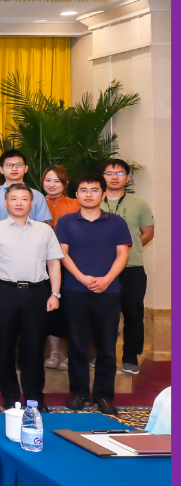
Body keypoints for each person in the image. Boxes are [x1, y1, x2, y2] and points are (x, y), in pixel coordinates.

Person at [0, 184, 64, 412]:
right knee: (3, 347)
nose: (19, 203)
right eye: (14, 198)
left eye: (24, 199)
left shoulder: (45, 230)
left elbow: (54, 263)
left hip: (37, 293)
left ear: (32, 203)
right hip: (4, 292)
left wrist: (55, 293)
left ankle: (35, 397)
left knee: (34, 348)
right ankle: (10, 397)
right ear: (6, 202)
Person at [57, 173, 132, 415]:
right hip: (75, 291)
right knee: (77, 346)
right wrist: (82, 277)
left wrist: (107, 279)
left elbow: (122, 254)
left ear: (103, 194)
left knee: (107, 348)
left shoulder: (117, 222)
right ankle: (79, 393)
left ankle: (104, 396)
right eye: (84, 190)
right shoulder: (66, 222)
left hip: (108, 292)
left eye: (94, 190)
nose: (89, 194)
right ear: (76, 194)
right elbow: (62, 253)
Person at [100, 158, 155, 375]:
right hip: (100, 268)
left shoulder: (139, 204)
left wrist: (124, 250)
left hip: (132, 267)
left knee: (133, 312)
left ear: (127, 178)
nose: (115, 177)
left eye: (120, 173)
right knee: (102, 314)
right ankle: (101, 354)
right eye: (110, 173)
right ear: (103, 177)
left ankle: (130, 356)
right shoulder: (94, 200)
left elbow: (147, 233)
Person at [41, 165, 78, 370]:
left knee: (71, 308)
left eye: (57, 181)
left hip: (70, 263)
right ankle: (55, 353)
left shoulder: (76, 204)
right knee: (49, 309)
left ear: (65, 183)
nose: (52, 184)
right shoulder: (35, 202)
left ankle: (73, 353)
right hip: (42, 264)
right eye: (48, 180)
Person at [0, 149, 53, 225]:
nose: (14, 169)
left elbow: (43, 227)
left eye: (18, 165)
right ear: (1, 169)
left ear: (26, 168)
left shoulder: (37, 196)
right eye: (9, 165)